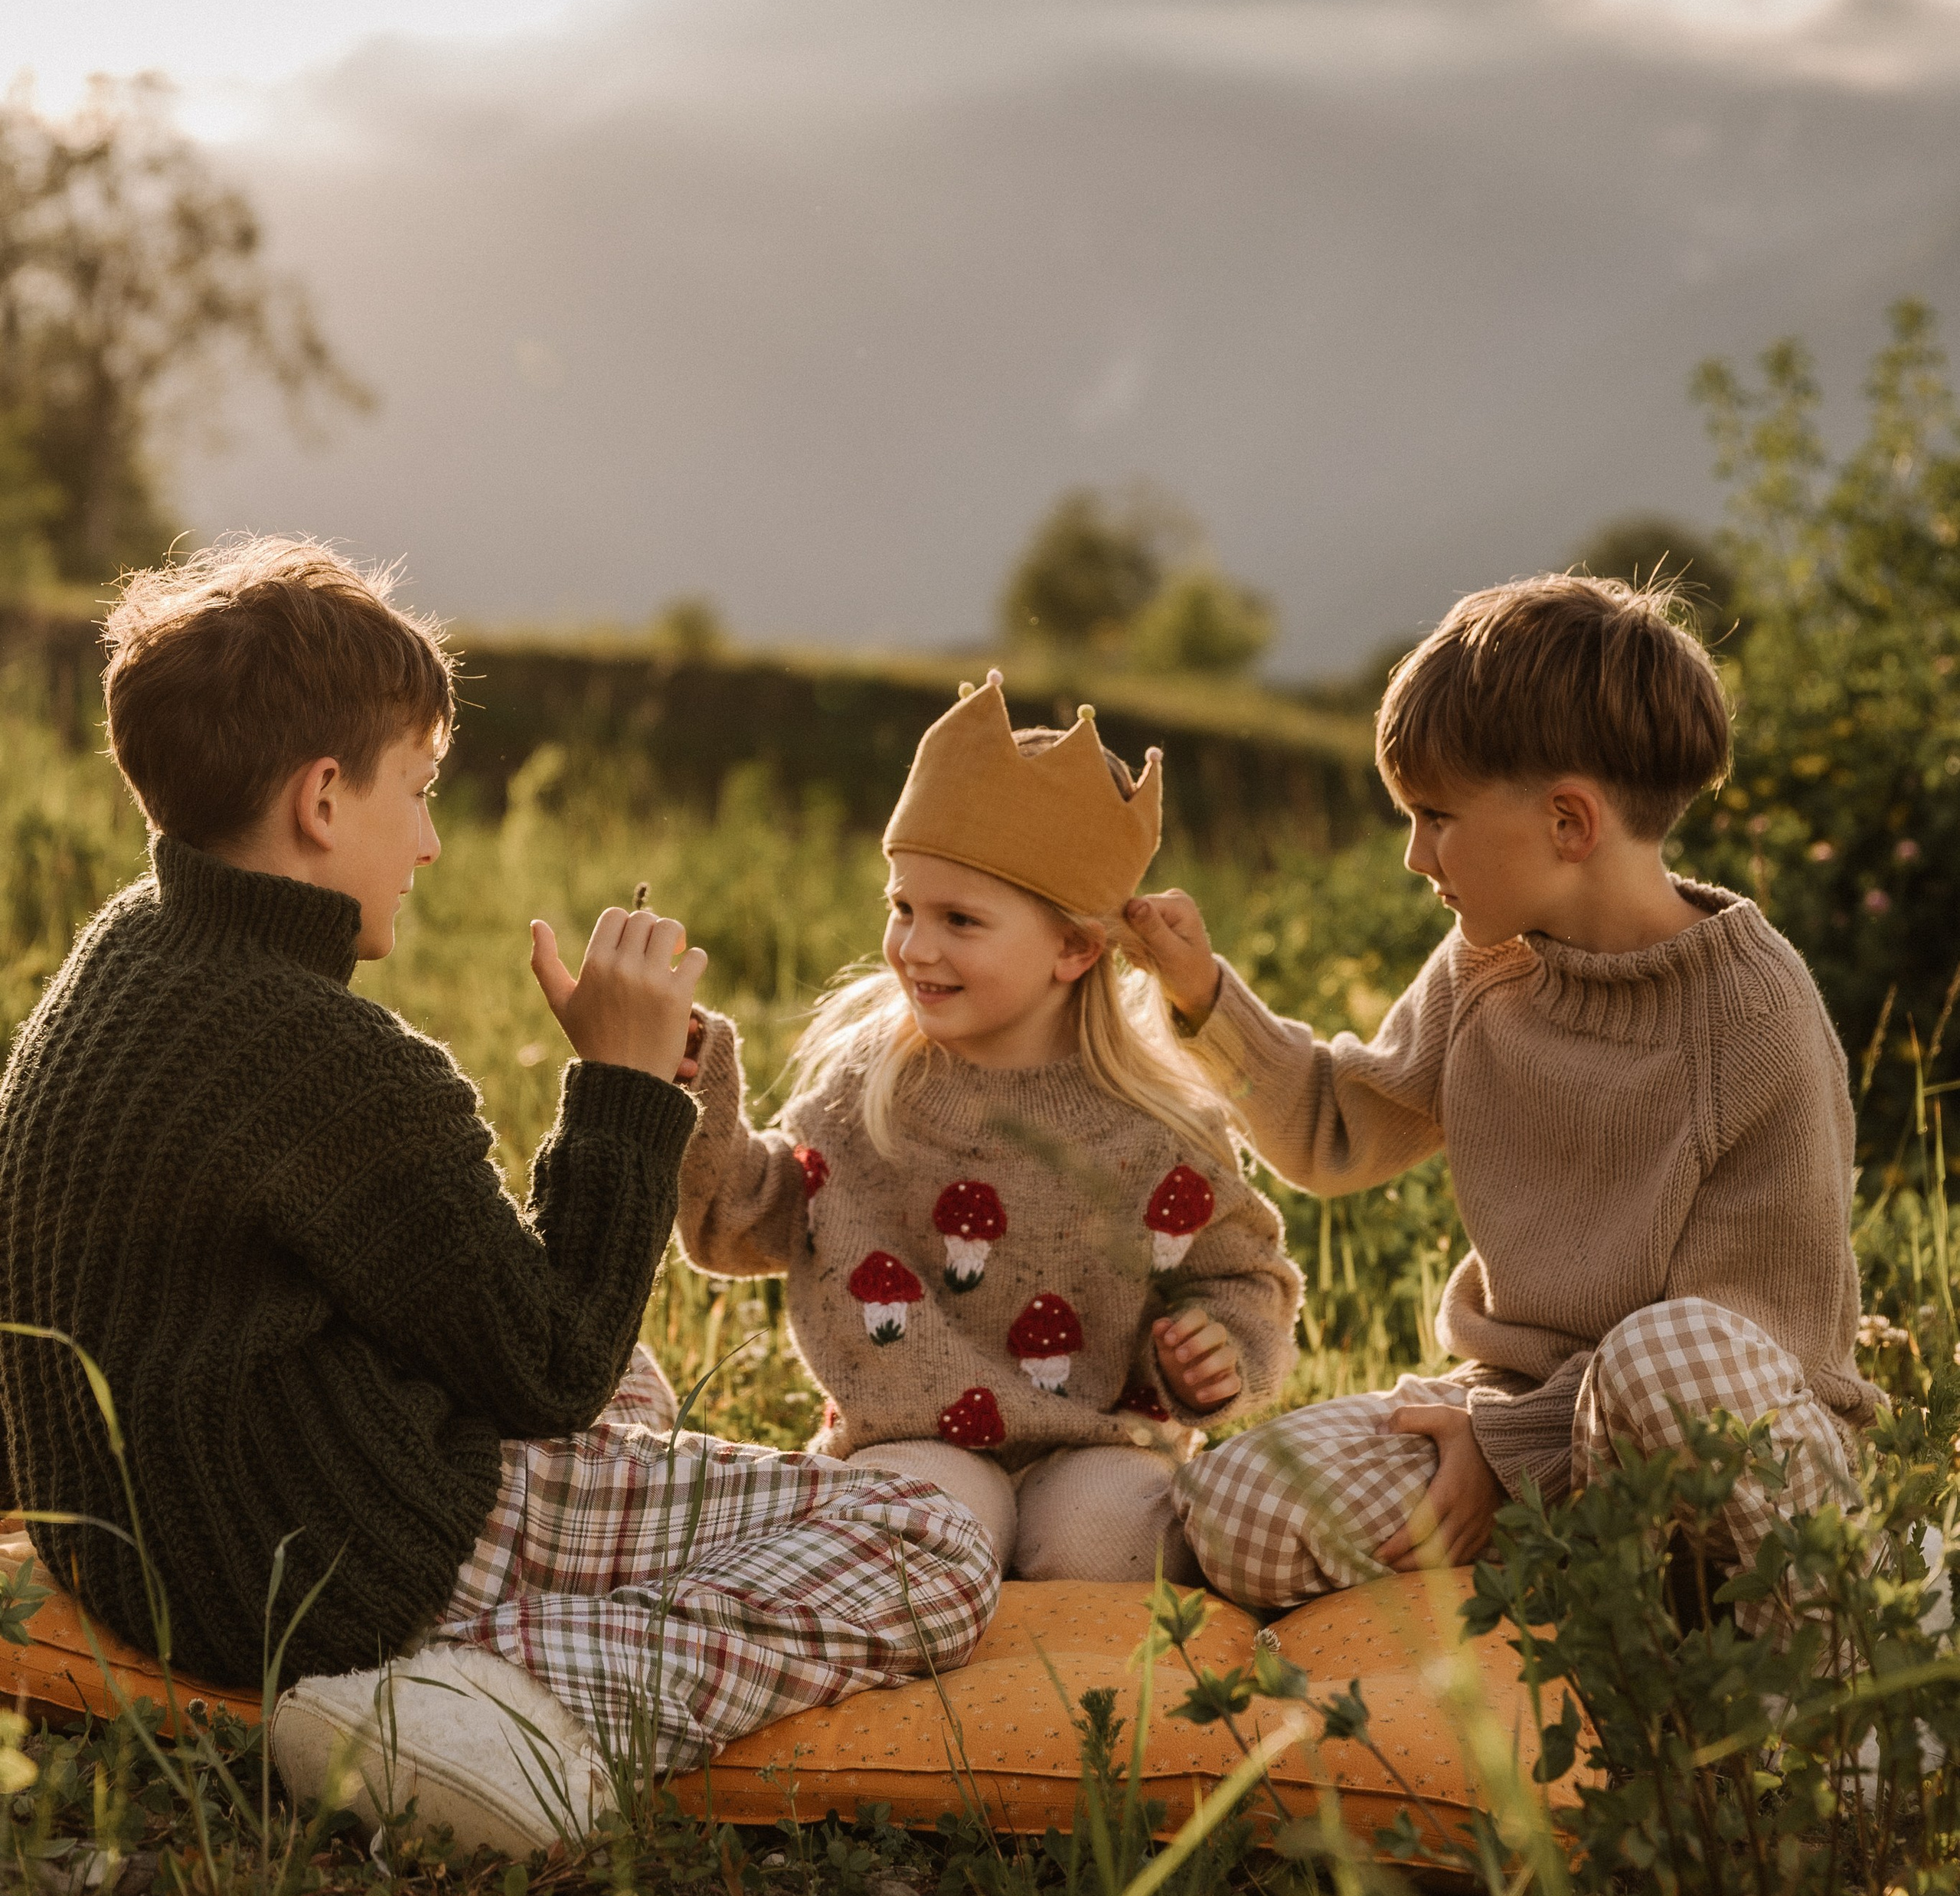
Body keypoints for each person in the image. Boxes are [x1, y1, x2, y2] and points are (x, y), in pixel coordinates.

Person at [0, 539, 998, 1768]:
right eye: (415, 792)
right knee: (932, 1541)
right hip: (343, 1557)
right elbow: (551, 1369)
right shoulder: (334, 1064)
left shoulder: (120, 960)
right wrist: (623, 1091)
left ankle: (557, 1628)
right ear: (321, 801)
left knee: (633, 1381)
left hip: (143, 1544)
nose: (427, 844)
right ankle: (494, 1706)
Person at [1119, 574, 1872, 1610]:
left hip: (1723, 1428)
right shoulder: (1487, 967)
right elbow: (1340, 1128)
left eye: (1436, 817)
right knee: (1239, 1505)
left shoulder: (1751, 1017)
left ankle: (1827, 1654)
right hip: (1517, 1413)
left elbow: (1743, 1333)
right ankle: (1564, 1609)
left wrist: (1499, 1446)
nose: (1415, 855)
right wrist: (1199, 991)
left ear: (1569, 821)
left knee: (1669, 1354)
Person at [678, 671, 1302, 1582]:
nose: (914, 947)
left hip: (1101, 1439)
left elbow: (1245, 1278)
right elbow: (741, 1220)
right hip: (912, 1436)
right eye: (903, 907)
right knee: (932, 1529)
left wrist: (1221, 1350)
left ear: (1074, 948)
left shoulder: (1162, 1129)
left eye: (959, 920)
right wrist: (696, 1093)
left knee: (1100, 1541)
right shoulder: (867, 1091)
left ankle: (1078, 1712)